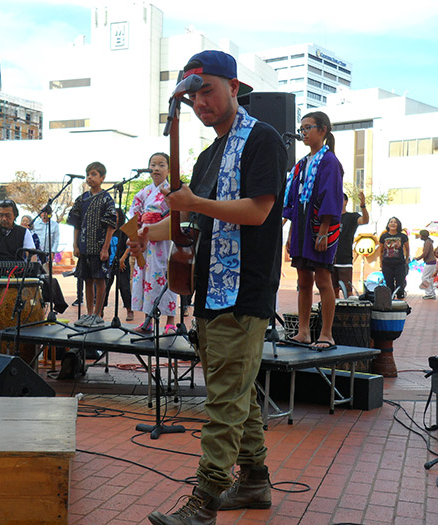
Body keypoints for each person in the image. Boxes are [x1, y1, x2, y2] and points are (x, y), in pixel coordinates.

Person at [129, 50, 286, 524]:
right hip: (210, 288)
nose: (200, 102)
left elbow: (258, 211)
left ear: (234, 87)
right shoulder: (208, 155)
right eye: (193, 95)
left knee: (224, 400)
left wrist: (196, 200)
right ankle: (255, 480)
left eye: (208, 90)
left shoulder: (263, 139)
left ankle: (205, 501)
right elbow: (190, 224)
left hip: (245, 288)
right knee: (236, 390)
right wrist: (145, 233)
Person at [283, 111, 344, 350]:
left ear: (323, 130)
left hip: (320, 225)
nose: (303, 132)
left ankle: (327, 334)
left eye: (308, 127)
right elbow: (294, 199)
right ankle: (304, 331)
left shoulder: (329, 161)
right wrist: (290, 233)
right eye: (302, 128)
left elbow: (332, 196)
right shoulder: (302, 163)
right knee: (303, 280)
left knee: (323, 279)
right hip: (301, 225)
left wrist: (324, 230)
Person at [127, 152, 178, 333]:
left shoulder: (172, 190)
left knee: (166, 276)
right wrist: (134, 233)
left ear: (169, 169)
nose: (156, 168)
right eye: (153, 164)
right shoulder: (143, 193)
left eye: (161, 164)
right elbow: (135, 214)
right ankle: (148, 319)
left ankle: (171, 321)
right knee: (145, 279)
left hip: (164, 240)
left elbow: (177, 214)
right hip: (145, 241)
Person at [67, 161, 117, 328]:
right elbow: (76, 224)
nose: (90, 177)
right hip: (84, 246)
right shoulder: (81, 199)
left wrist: (105, 248)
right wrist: (75, 245)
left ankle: (98, 313)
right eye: (88, 174)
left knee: (100, 279)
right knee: (87, 279)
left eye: (94, 174)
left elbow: (111, 225)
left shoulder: (106, 199)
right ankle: (89, 313)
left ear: (102, 178)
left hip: (99, 247)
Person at [332, 192, 369, 298]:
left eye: (341, 199)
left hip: (345, 259)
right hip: (330, 259)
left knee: (347, 291)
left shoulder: (352, 217)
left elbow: (365, 220)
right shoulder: (330, 218)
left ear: (346, 202)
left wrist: (363, 206)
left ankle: (348, 312)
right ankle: (334, 313)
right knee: (332, 290)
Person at [103, 208, 134, 321]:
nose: (115, 219)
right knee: (105, 287)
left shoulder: (124, 230)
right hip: (108, 264)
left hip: (122, 263)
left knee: (124, 287)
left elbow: (129, 246)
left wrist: (122, 259)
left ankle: (129, 311)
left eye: (117, 216)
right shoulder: (108, 230)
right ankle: (99, 311)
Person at [378, 217, 410, 299]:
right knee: (389, 285)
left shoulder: (403, 236)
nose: (393, 223)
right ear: (388, 225)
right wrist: (380, 262)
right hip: (387, 264)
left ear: (398, 225)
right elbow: (380, 250)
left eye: (395, 222)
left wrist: (406, 260)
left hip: (400, 264)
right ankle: (390, 303)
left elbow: (407, 249)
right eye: (391, 222)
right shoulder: (383, 236)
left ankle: (400, 301)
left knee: (400, 284)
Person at [415, 229, 437, 299]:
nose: (420, 237)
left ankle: (429, 293)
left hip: (430, 263)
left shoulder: (427, 242)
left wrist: (418, 258)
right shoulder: (429, 242)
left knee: (424, 277)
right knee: (429, 278)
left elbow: (425, 253)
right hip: (432, 262)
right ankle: (432, 293)